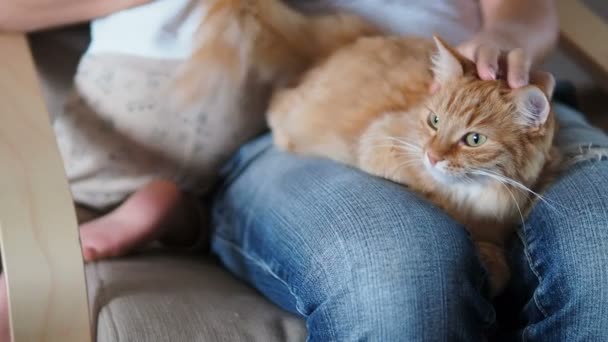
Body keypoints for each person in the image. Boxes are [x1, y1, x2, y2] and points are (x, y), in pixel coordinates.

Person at [2, 0, 608, 341]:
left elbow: (528, 9)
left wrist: (504, 35)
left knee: (601, 254)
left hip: (497, 104)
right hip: (317, 124)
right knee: (394, 271)